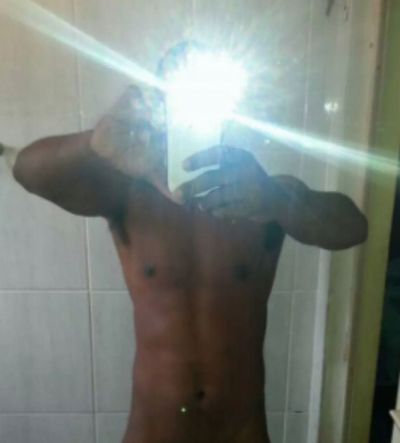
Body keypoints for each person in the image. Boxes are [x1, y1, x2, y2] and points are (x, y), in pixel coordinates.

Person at [1, 43, 368, 443]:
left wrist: (277, 199)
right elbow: (27, 171)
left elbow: (354, 228)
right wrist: (95, 144)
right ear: (158, 107)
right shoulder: (130, 194)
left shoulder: (265, 195)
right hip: (153, 433)